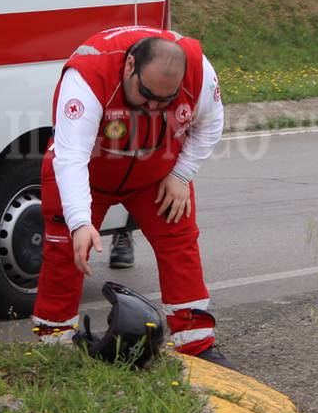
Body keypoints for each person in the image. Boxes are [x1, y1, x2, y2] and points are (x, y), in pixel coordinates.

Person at [31, 26, 230, 367]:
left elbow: (210, 124)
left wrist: (182, 174)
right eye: (146, 94)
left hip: (156, 170)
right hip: (90, 171)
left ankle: (196, 343)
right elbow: (71, 157)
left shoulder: (199, 74)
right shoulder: (86, 79)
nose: (153, 106)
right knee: (66, 248)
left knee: (178, 241)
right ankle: (54, 339)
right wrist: (80, 222)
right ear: (129, 67)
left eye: (164, 100)